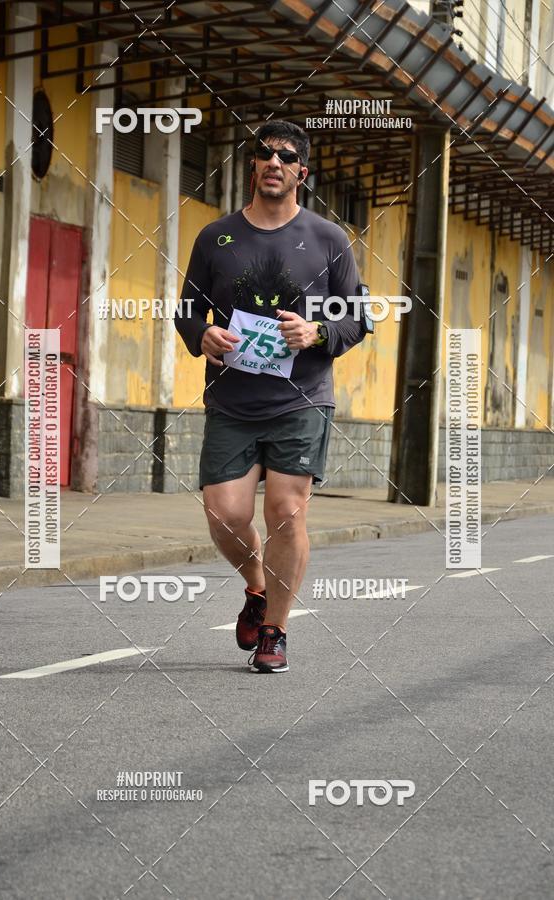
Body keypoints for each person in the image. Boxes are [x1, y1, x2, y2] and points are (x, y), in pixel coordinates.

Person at [174, 120, 367, 672]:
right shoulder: (216, 237)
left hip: (301, 399)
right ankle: (257, 588)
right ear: (253, 166)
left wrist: (317, 332)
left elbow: (357, 318)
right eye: (265, 154)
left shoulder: (329, 239)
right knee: (224, 513)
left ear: (301, 171)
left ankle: (275, 631)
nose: (274, 163)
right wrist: (202, 334)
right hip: (232, 400)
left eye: (285, 156)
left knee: (285, 511)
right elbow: (186, 308)